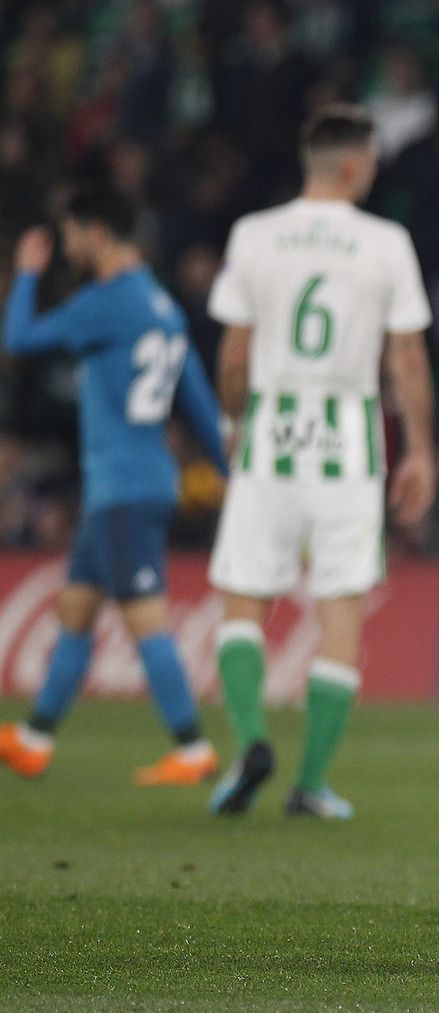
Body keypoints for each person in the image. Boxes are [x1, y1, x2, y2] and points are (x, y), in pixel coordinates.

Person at [205, 105, 437, 819]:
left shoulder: (254, 234)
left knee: (244, 597)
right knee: (341, 610)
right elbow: (405, 355)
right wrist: (422, 449)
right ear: (351, 165)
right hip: (348, 440)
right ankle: (309, 783)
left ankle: (249, 742)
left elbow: (236, 351)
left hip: (273, 428)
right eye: (370, 159)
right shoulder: (385, 242)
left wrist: (236, 418)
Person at [0, 184, 229, 784]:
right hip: (136, 480)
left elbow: (18, 339)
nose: (68, 245)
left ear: (96, 233)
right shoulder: (161, 303)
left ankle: (192, 748)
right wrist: (231, 473)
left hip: (123, 488)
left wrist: (27, 273)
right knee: (75, 609)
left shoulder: (106, 301)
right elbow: (200, 406)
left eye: (72, 234)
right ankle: (35, 738)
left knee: (144, 617)